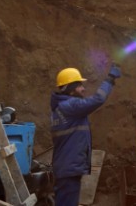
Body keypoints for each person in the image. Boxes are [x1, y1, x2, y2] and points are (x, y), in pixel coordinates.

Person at [50, 64, 121, 206]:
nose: (83, 88)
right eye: (79, 85)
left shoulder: (61, 108)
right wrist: (110, 79)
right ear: (70, 89)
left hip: (66, 168)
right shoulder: (70, 106)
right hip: (69, 169)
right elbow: (98, 99)